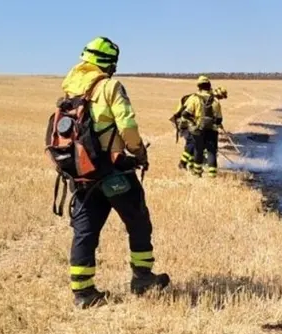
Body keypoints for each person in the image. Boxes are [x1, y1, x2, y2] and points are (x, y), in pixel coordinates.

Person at [61, 37, 170, 308]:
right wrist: (139, 153)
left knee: (85, 231)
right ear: (108, 63)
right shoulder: (109, 87)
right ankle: (142, 278)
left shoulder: (71, 88)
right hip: (113, 172)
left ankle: (83, 292)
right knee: (138, 221)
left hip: (83, 173)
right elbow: (127, 127)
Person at [181, 76, 223, 178]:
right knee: (211, 152)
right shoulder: (215, 101)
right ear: (209, 86)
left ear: (199, 86)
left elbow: (185, 114)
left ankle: (197, 173)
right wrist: (215, 124)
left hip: (198, 130)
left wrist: (194, 123)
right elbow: (219, 119)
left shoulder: (194, 99)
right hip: (212, 131)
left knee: (198, 151)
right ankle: (212, 176)